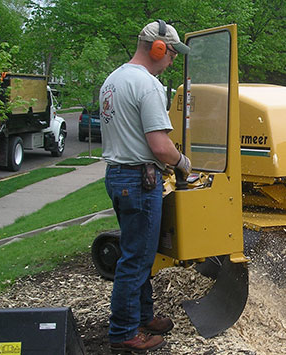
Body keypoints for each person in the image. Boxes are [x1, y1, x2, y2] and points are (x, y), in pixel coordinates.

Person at [99, 20, 191, 353]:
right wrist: (183, 163)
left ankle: (143, 315)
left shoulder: (113, 79)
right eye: (172, 54)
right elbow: (160, 147)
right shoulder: (147, 84)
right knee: (136, 260)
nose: (173, 61)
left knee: (135, 254)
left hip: (118, 177)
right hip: (140, 180)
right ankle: (124, 333)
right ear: (158, 48)